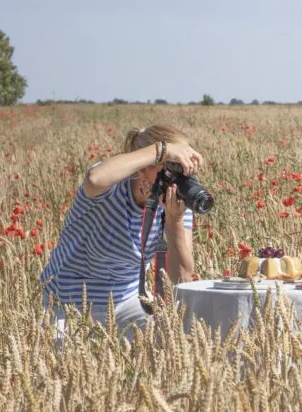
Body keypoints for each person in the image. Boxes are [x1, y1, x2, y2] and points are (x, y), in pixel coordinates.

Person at [40, 124, 205, 341]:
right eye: (174, 167)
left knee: (173, 344)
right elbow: (94, 179)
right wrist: (162, 150)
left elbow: (181, 278)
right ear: (143, 167)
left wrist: (174, 221)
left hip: (126, 302)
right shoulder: (111, 186)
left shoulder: (175, 202)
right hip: (65, 302)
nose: (180, 178)